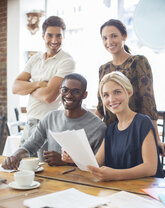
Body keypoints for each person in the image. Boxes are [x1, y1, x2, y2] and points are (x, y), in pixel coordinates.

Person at [63, 72, 164, 180]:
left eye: (117, 92)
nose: (111, 99)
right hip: (120, 191)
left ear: (129, 92)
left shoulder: (143, 122)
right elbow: (95, 162)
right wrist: (74, 158)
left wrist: (115, 174)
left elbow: (150, 168)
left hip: (146, 192)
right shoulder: (111, 129)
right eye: (106, 95)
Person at [2, 73, 106, 170]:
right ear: (60, 90)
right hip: (50, 180)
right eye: (65, 90)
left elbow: (97, 166)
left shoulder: (98, 127)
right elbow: (30, 146)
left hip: (82, 183)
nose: (69, 95)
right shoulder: (50, 117)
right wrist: (15, 156)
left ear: (85, 95)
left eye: (76, 92)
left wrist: (65, 162)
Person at [95, 19, 165, 156]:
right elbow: (100, 107)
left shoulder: (138, 62)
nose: (109, 41)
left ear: (124, 36)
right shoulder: (103, 69)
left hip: (136, 132)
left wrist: (156, 139)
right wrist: (82, 130)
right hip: (113, 133)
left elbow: (148, 102)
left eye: (114, 36)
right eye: (105, 38)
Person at [12, 16, 75, 158]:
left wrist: (28, 88)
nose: (54, 40)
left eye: (59, 36)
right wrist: (40, 84)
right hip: (29, 124)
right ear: (43, 36)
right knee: (22, 168)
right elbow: (15, 87)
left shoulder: (67, 61)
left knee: (45, 173)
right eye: (50, 35)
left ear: (63, 37)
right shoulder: (35, 58)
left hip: (49, 126)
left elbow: (48, 96)